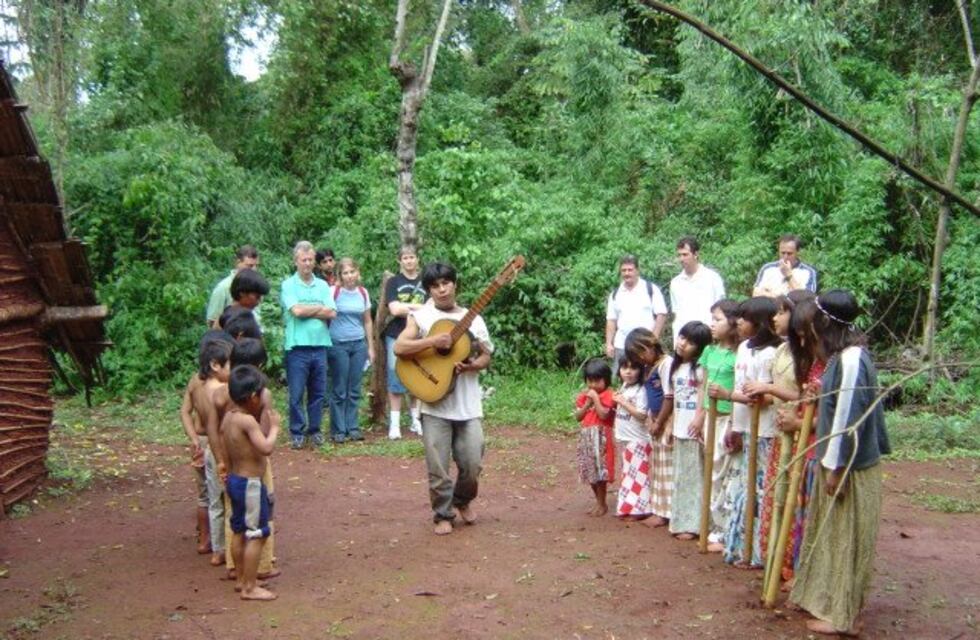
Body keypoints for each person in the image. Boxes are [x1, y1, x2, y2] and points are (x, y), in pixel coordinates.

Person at [789, 289, 890, 636]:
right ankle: (836, 606)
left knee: (846, 540)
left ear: (824, 323)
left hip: (850, 466)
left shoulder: (849, 361)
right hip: (843, 463)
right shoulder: (843, 358)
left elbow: (848, 418)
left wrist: (835, 467)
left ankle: (843, 616)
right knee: (836, 536)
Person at [394, 262, 493, 535]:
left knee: (473, 462)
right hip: (433, 403)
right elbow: (400, 347)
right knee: (437, 466)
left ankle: (462, 500)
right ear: (429, 290)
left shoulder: (474, 319)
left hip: (468, 404)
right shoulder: (422, 317)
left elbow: (486, 355)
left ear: (454, 284)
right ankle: (442, 514)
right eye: (435, 286)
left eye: (446, 283)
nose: (441, 290)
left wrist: (472, 365)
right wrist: (432, 342)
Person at [722, 297, 781, 567]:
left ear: (758, 323)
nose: (739, 323)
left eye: (744, 319)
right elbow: (740, 385)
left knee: (760, 490)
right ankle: (740, 546)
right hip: (745, 425)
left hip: (766, 430)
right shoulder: (744, 348)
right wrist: (735, 425)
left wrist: (736, 395)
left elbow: (771, 396)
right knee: (743, 488)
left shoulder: (773, 353)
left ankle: (758, 551)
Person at [222, 364, 279, 601]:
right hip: (250, 485)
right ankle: (250, 587)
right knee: (257, 533)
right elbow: (266, 448)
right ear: (253, 397)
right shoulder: (247, 422)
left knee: (238, 531)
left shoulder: (228, 418)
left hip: (235, 481)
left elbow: (226, 450)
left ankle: (241, 579)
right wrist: (275, 428)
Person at [179, 334, 233, 564]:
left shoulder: (194, 380)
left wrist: (193, 438)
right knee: (227, 499)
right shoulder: (222, 388)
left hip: (202, 442)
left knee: (208, 497)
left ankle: (211, 546)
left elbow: (184, 412)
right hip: (219, 445)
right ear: (215, 364)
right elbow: (218, 426)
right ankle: (227, 548)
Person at [280, 240, 336, 449]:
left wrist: (308, 309)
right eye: (303, 260)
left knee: (318, 392)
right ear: (296, 261)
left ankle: (315, 430)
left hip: (320, 345)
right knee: (296, 393)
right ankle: (296, 431)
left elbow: (332, 312)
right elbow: (296, 312)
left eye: (310, 259)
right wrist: (318, 308)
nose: (307, 264)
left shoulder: (322, 285)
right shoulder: (288, 285)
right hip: (297, 347)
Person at [667, 321, 712, 540]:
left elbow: (704, 397)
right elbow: (675, 399)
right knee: (682, 476)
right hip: (679, 428)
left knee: (695, 477)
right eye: (682, 337)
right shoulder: (676, 368)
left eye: (691, 342)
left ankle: (695, 524)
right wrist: (670, 425)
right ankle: (681, 520)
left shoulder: (702, 369)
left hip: (695, 429)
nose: (683, 344)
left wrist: (699, 419)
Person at [702, 299, 741, 552]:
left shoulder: (739, 354)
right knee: (711, 471)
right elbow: (701, 387)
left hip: (728, 417)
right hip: (709, 416)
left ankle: (727, 529)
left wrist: (734, 423)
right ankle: (714, 526)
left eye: (717, 319)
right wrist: (699, 415)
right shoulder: (709, 351)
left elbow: (737, 391)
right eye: (712, 319)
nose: (712, 324)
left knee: (725, 472)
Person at [624, 328, 673, 526]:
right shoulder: (649, 366)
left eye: (641, 353)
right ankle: (659, 509)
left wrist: (660, 421)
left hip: (666, 420)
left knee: (667, 465)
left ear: (650, 345)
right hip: (655, 420)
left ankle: (667, 511)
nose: (641, 358)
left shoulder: (666, 364)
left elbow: (669, 396)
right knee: (658, 466)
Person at [327, 258, 375, 443]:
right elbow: (326, 314)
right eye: (345, 273)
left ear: (357, 272)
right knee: (339, 388)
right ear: (340, 275)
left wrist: (371, 347)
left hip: (358, 344)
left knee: (354, 388)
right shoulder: (334, 292)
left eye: (352, 272)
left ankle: (353, 427)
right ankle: (338, 429)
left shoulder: (363, 293)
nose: (349, 276)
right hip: (338, 343)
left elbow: (367, 320)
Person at [384, 247, 427, 439]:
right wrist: (419, 308)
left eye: (412, 257)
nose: (409, 261)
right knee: (395, 376)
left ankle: (416, 419)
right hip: (395, 333)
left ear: (417, 259)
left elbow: (431, 308)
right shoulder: (393, 282)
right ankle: (394, 425)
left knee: (417, 376)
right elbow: (394, 309)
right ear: (399, 260)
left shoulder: (426, 281)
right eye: (405, 258)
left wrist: (407, 308)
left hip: (420, 335)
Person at [605, 255, 668, 373]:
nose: (627, 273)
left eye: (630, 270)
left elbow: (661, 314)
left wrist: (653, 338)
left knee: (646, 376)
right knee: (621, 376)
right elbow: (611, 320)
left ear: (637, 271)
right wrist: (609, 343)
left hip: (644, 345)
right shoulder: (615, 294)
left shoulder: (650, 289)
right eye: (623, 270)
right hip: (622, 345)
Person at [574, 358, 616, 517]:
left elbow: (604, 414)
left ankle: (602, 502)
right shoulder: (583, 397)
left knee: (601, 472)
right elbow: (578, 416)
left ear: (606, 380)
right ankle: (598, 501)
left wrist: (596, 399)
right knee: (590, 471)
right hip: (587, 436)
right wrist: (587, 403)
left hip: (602, 436)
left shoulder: (609, 395)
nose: (593, 385)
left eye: (597, 381)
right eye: (589, 381)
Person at [612, 356, 651, 519]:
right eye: (624, 368)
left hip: (638, 439)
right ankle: (627, 506)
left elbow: (642, 415)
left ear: (640, 371)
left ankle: (639, 509)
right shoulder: (625, 387)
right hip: (625, 438)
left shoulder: (641, 390)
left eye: (633, 368)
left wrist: (623, 402)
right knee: (628, 473)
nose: (628, 372)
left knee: (638, 476)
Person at [669, 236, 726, 342]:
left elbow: (721, 310)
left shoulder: (713, 278)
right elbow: (677, 313)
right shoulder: (675, 283)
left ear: (696, 254)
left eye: (685, 254)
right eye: (679, 255)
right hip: (683, 339)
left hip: (707, 336)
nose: (681, 259)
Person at [207, 245, 260, 328]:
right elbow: (212, 321)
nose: (254, 269)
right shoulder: (223, 287)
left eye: (256, 266)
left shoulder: (255, 286)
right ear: (238, 263)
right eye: (249, 266)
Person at [753, 234, 818, 298]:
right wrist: (781, 298)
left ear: (798, 252)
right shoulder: (768, 268)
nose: (785, 257)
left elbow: (807, 299)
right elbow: (756, 293)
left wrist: (789, 276)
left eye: (789, 253)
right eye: (782, 253)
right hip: (770, 307)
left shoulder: (808, 272)